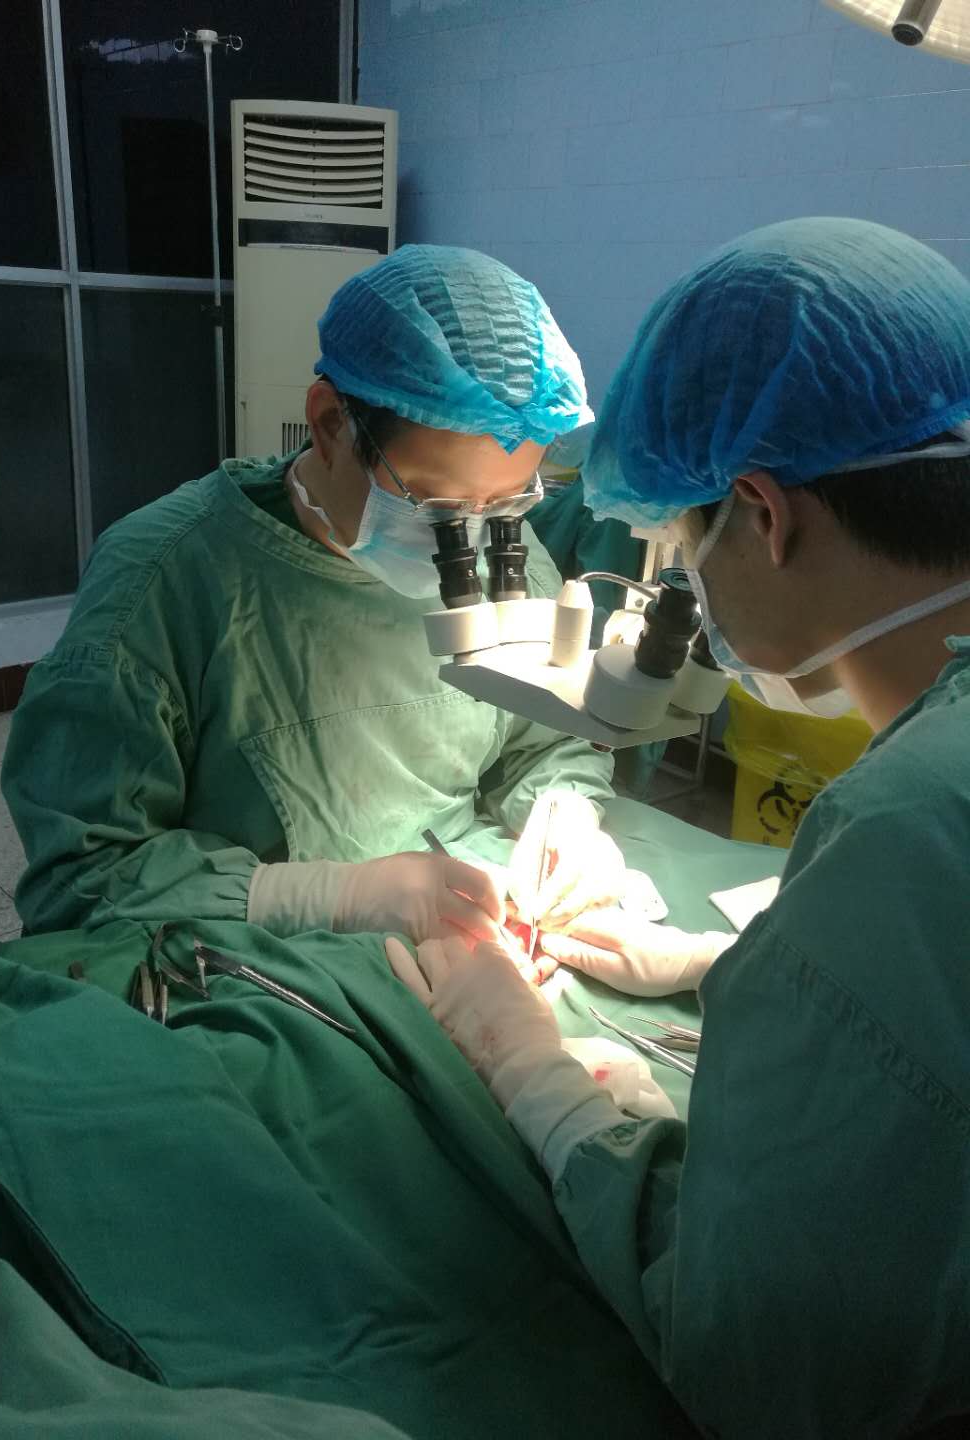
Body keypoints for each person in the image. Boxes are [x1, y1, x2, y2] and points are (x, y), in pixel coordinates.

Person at [387, 219, 970, 1438]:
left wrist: (543, 1085)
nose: (681, 585)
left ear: (762, 513)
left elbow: (765, 1362)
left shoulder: (909, 826)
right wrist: (744, 965)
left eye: (677, 548)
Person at [2, 245, 623, 942]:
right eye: (439, 506)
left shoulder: (507, 551)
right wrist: (326, 896)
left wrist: (564, 815)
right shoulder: (161, 579)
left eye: (505, 504)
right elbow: (81, 875)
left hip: (460, 915)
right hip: (243, 954)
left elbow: (546, 742)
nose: (472, 541)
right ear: (330, 424)